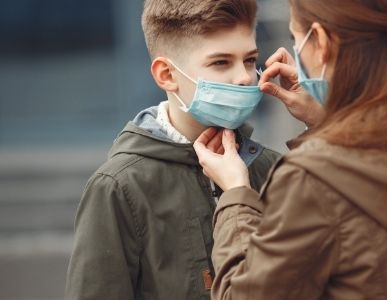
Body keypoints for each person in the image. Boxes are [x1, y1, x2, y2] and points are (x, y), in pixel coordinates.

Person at [193, 0, 387, 299]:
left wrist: (235, 195)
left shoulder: (314, 179)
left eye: (295, 37)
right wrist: (328, 120)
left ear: (320, 41)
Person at [65, 0, 280, 299]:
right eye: (220, 62)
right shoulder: (120, 187)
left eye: (249, 59)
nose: (245, 77)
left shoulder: (273, 169)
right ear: (166, 74)